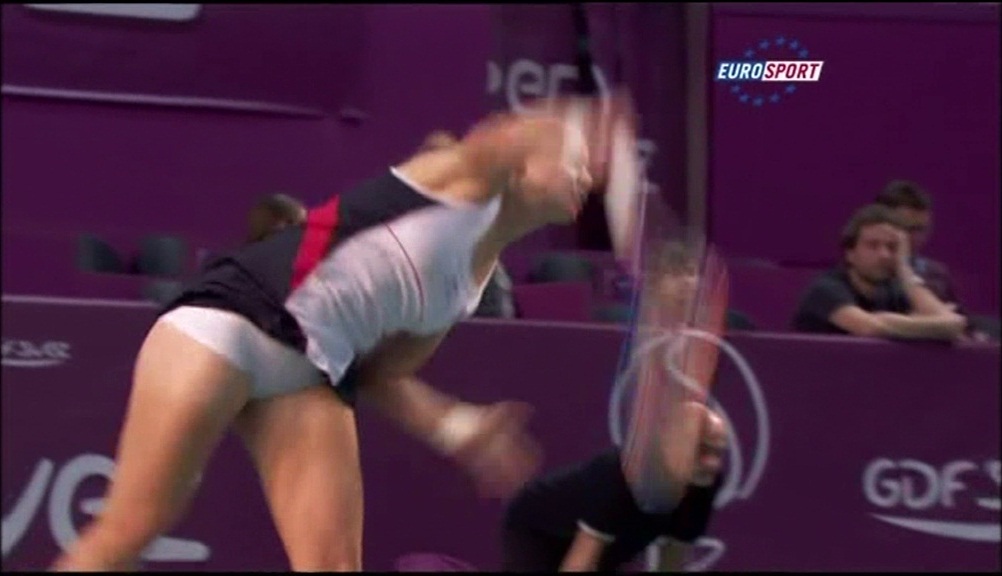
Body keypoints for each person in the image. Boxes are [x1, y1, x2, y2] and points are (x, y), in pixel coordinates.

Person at [52, 94, 632, 571]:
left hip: (308, 370)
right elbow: (509, 136)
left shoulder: (468, 288)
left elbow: (382, 373)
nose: (587, 176)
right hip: (227, 319)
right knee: (131, 529)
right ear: (526, 163)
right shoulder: (459, 178)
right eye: (575, 162)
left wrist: (456, 425)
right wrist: (583, 116)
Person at [502, 242, 730, 572]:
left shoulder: (703, 486)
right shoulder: (623, 478)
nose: (711, 462)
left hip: (611, 532)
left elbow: (672, 560)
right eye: (701, 449)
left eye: (717, 451)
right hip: (538, 528)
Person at [791, 203, 966, 341]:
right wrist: (928, 326)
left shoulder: (894, 290)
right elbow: (869, 328)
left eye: (892, 247)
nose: (884, 255)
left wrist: (904, 269)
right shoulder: (826, 289)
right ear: (850, 253)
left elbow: (954, 324)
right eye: (872, 245)